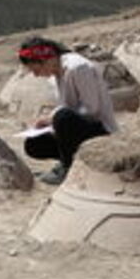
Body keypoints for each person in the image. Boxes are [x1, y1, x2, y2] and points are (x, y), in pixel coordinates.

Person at [15, 36, 118, 186]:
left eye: (36, 70)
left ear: (47, 59)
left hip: (100, 128)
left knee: (62, 117)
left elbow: (92, 109)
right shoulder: (57, 73)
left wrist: (55, 118)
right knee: (33, 145)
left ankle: (68, 167)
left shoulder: (78, 68)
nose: (36, 75)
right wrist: (47, 121)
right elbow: (67, 105)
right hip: (75, 127)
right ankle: (67, 160)